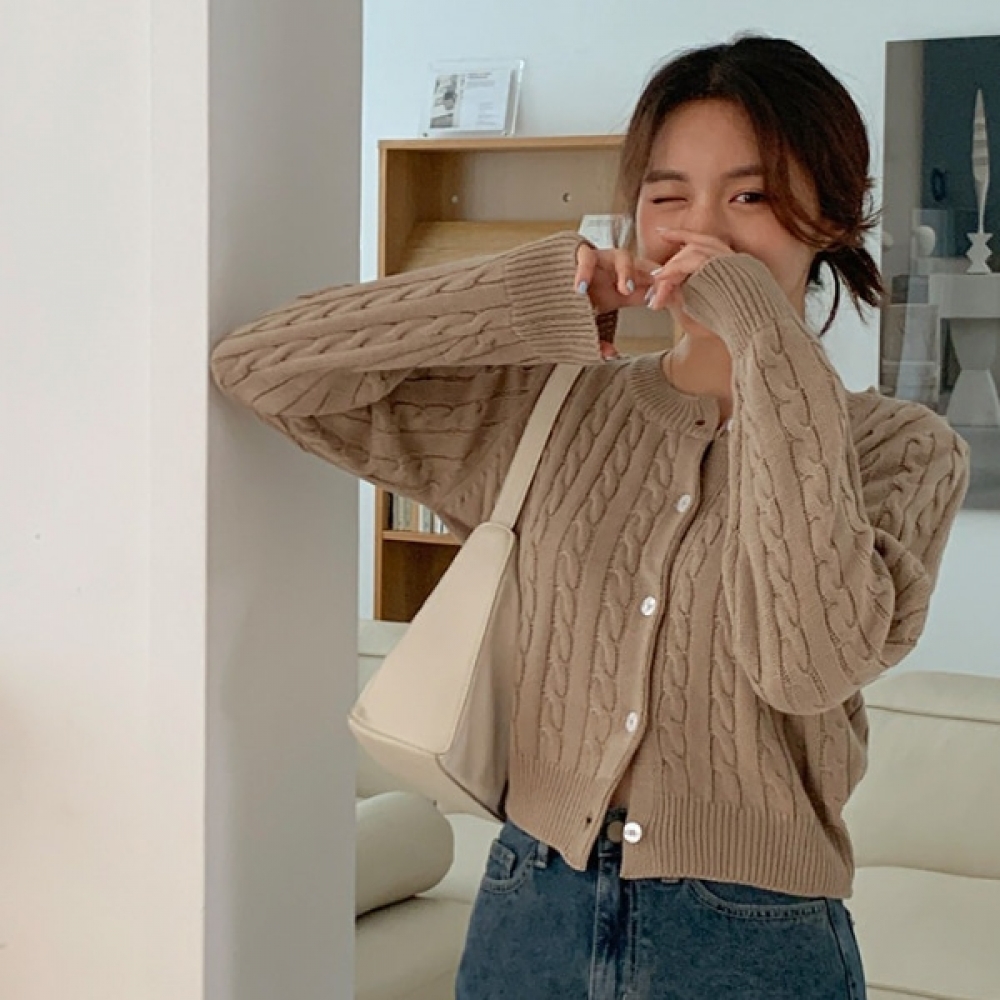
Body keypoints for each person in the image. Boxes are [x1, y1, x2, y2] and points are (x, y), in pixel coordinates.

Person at [211, 34, 969, 1000]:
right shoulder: (554, 410)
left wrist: (765, 344)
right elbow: (261, 369)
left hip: (758, 941)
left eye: (749, 196)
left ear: (829, 215)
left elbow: (807, 663)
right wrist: (524, 292)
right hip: (530, 910)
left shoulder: (901, 449)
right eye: (668, 196)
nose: (702, 232)